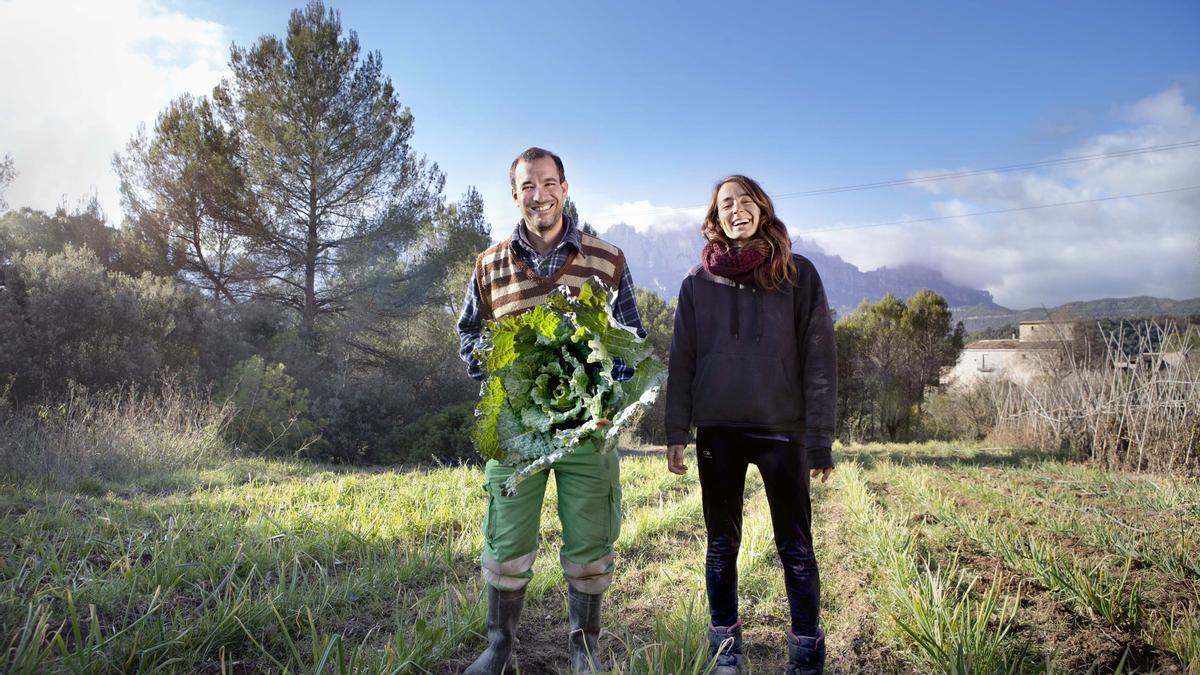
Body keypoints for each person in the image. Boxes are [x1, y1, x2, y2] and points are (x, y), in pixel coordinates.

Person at [456, 147, 646, 674]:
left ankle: (584, 650)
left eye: (548, 183)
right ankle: (498, 646)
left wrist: (611, 396)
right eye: (527, 186)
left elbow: (632, 339)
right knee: (507, 542)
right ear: (514, 195)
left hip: (588, 432)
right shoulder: (489, 264)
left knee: (590, 545)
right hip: (515, 432)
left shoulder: (606, 260)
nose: (538, 195)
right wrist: (497, 375)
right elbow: (469, 335)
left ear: (565, 188)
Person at [664, 175, 837, 675]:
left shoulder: (799, 274)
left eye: (744, 200)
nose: (736, 209)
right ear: (715, 218)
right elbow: (683, 360)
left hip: (784, 430)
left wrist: (820, 439)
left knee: (796, 547)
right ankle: (726, 652)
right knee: (721, 544)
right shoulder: (696, 283)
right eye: (725, 204)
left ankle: (807, 653)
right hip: (718, 430)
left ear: (761, 208)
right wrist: (677, 432)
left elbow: (820, 359)